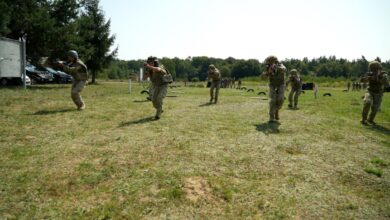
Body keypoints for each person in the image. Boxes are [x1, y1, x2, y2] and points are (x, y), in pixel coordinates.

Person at [360, 61, 389, 125]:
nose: (375, 70)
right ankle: (363, 119)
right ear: (371, 69)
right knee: (368, 102)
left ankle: (370, 120)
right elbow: (362, 80)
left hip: (379, 93)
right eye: (373, 68)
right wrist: (369, 78)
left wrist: (381, 79)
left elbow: (387, 84)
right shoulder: (369, 74)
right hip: (369, 91)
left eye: (377, 68)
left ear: (379, 68)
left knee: (375, 108)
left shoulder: (383, 75)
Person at [261, 56, 286, 123]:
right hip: (272, 85)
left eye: (269, 62)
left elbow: (284, 69)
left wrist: (276, 67)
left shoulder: (280, 65)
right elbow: (263, 78)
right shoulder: (268, 68)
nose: (268, 63)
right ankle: (271, 117)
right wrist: (268, 72)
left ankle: (276, 110)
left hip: (281, 84)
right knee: (273, 100)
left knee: (280, 99)